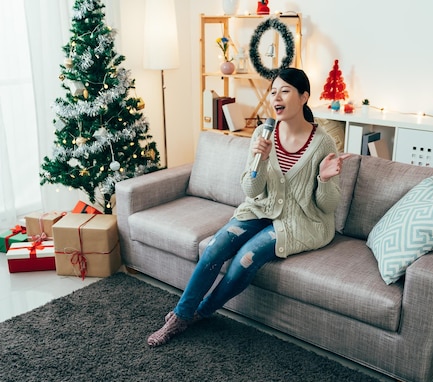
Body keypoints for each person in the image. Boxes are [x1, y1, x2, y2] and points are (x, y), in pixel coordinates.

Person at [147, 67, 351, 347]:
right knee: (216, 247)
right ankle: (179, 316)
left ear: (304, 97)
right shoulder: (262, 135)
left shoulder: (323, 143)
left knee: (247, 257)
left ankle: (201, 313)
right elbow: (251, 191)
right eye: (273, 91)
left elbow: (327, 207)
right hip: (260, 209)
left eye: (285, 91)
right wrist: (261, 160)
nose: (276, 97)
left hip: (301, 221)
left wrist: (324, 179)